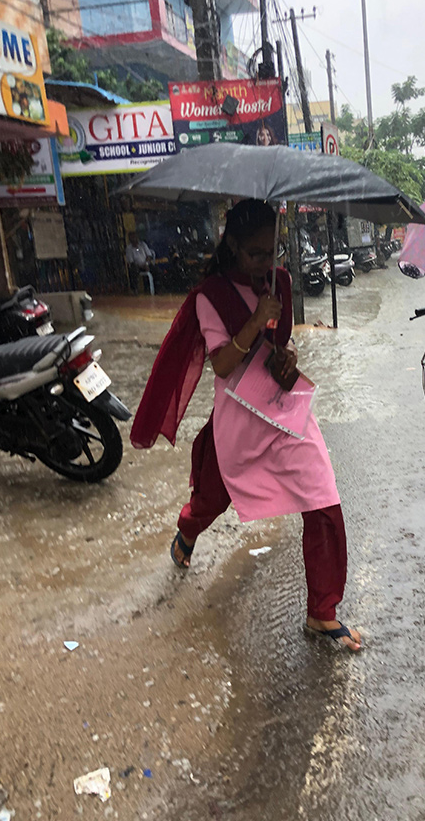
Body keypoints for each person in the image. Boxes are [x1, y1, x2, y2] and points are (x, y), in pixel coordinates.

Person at [130, 199, 361, 651]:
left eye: (272, 252)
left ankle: (322, 611)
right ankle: (187, 530)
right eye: (256, 254)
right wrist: (257, 319)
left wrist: (284, 353)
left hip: (284, 409)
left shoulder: (282, 283)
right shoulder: (209, 296)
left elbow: (281, 344)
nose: (265, 263)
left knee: (323, 498)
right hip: (238, 415)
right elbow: (222, 364)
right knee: (212, 500)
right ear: (232, 245)